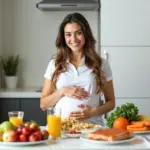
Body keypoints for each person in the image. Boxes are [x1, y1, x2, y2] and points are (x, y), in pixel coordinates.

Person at [40, 12, 115, 125]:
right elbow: (43, 105)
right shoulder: (54, 64)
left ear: (86, 34)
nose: (73, 39)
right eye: (68, 34)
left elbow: (111, 102)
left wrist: (92, 112)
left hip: (92, 128)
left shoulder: (101, 64)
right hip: (61, 130)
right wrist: (62, 91)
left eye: (78, 33)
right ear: (63, 37)